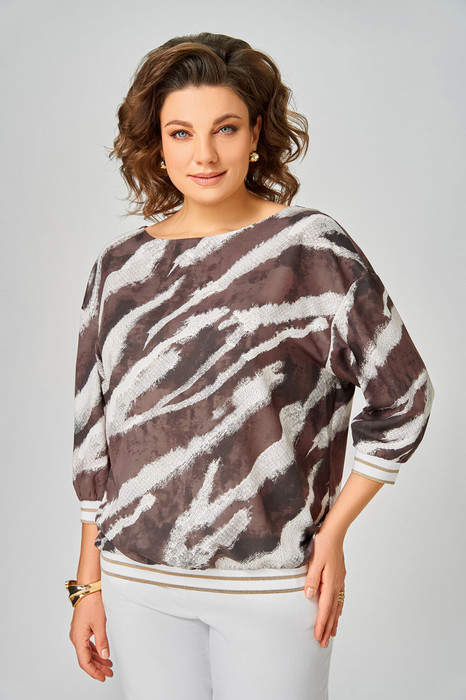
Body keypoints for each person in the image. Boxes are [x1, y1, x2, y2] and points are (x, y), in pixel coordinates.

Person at [66, 32, 434, 700]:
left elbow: (404, 395)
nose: (204, 155)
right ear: (157, 143)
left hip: (273, 585)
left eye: (225, 128)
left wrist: (333, 532)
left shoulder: (310, 249)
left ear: (257, 132)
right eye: (181, 133)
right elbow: (97, 438)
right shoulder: (118, 269)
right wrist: (87, 584)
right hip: (137, 584)